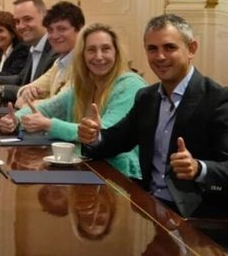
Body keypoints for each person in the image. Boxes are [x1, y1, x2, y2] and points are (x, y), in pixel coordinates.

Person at [78, 14, 228, 218]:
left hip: (195, 218)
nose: (160, 57)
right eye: (152, 49)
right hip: (147, 207)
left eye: (169, 47)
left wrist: (198, 167)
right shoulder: (147, 98)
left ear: (191, 49)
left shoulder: (218, 99)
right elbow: (116, 141)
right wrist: (94, 137)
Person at [0, 23, 146, 178]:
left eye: (106, 49)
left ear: (116, 52)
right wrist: (15, 119)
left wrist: (49, 125)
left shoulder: (130, 85)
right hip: (83, 167)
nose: (99, 56)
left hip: (121, 176)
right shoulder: (83, 85)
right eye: (91, 50)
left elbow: (106, 134)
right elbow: (47, 109)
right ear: (82, 55)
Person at [0, 0, 58, 102]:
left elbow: (37, 93)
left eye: (27, 19)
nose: (21, 26)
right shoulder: (33, 47)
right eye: (17, 22)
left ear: (45, 17)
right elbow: (20, 78)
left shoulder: (55, 51)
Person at [14, 1, 85, 108]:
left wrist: (25, 103)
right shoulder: (59, 63)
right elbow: (24, 89)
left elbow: (58, 106)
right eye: (50, 30)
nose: (54, 36)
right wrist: (26, 92)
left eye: (62, 29)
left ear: (80, 29)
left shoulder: (84, 63)